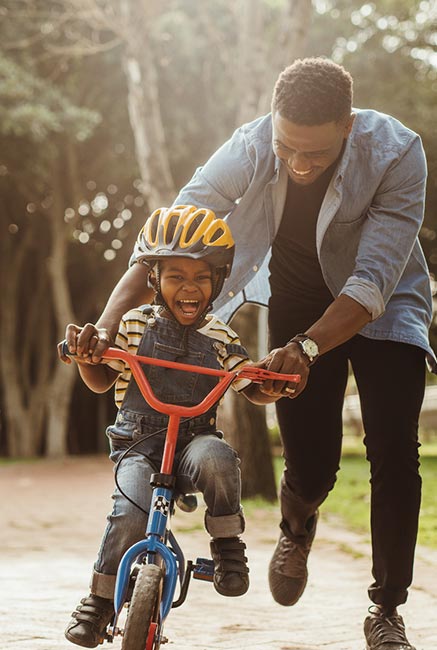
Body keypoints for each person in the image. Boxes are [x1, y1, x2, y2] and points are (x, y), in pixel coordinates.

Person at [59, 58, 435, 650]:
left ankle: (386, 609)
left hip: (382, 302)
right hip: (297, 296)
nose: (300, 164)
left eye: (316, 153)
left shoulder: (395, 151)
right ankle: (298, 521)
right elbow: (170, 234)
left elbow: (371, 282)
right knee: (312, 463)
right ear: (273, 124)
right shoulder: (252, 145)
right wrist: (105, 326)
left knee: (395, 449)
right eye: (289, 148)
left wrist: (308, 347)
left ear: (348, 125)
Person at [63, 205, 289, 649]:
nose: (189, 287)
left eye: (201, 278)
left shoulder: (222, 337)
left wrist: (272, 386)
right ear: (153, 279)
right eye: (175, 276)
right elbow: (101, 380)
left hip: (193, 443)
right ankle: (99, 600)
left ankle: (227, 547)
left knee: (219, 458)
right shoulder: (131, 324)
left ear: (218, 282)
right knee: (129, 513)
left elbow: (249, 384)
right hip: (138, 445)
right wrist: (89, 358)